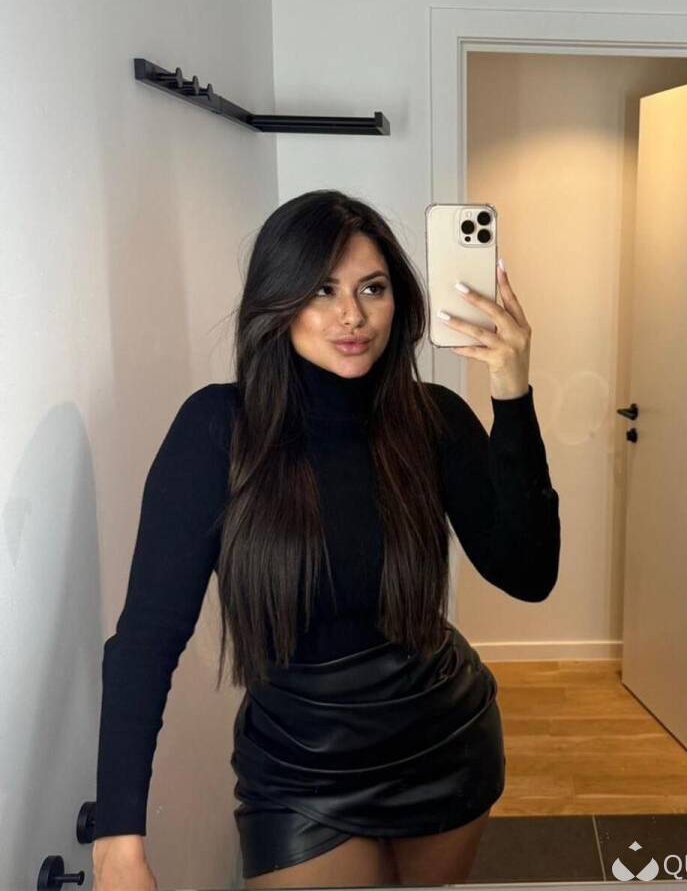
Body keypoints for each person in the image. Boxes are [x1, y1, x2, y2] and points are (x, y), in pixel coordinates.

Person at [92, 189, 560, 890]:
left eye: (372, 288)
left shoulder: (430, 419)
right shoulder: (218, 430)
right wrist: (116, 839)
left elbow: (529, 574)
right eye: (322, 289)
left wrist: (512, 393)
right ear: (277, 302)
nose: (352, 316)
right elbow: (146, 640)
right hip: (297, 768)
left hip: (442, 743)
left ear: (398, 300)